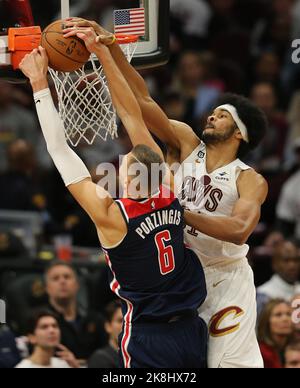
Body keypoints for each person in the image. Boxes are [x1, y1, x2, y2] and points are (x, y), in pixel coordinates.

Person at [63, 18, 268, 368]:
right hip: (180, 278)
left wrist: (177, 211)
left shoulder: (249, 179)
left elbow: (239, 231)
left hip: (224, 277)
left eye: (223, 116)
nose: (212, 117)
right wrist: (110, 48)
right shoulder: (186, 142)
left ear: (241, 134)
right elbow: (139, 101)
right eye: (214, 112)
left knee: (226, 364)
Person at [19, 40, 207, 368]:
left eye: (124, 165)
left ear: (132, 180)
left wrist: (38, 83)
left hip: (149, 336)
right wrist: (103, 51)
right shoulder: (170, 189)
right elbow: (132, 114)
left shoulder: (111, 215)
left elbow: (60, 150)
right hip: (192, 328)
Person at [45, 261, 106, 360]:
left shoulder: (95, 319)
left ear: (77, 284)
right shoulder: (43, 322)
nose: (62, 281)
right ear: (47, 288)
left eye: (67, 277)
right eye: (56, 278)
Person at [257, 241, 300, 315]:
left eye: (296, 260)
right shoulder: (263, 295)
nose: (292, 265)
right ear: (274, 264)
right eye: (286, 260)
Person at [258, 299, 293, 369]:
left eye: (288, 314)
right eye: (278, 315)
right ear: (267, 321)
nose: (285, 319)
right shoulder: (261, 353)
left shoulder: (295, 345)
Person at [88, 300, 122, 369]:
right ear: (108, 326)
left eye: (129, 321)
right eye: (120, 321)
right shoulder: (100, 358)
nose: (125, 326)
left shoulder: (141, 356)